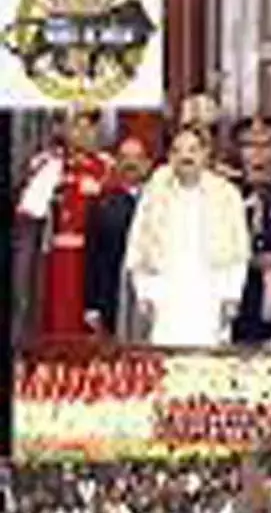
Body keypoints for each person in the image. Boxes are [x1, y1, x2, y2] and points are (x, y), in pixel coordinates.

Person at [124, 127, 251, 347]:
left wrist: (232, 294)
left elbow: (239, 252)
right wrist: (145, 292)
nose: (186, 157)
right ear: (170, 157)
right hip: (167, 295)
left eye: (193, 150)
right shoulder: (154, 195)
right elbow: (138, 246)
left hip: (210, 293)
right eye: (178, 150)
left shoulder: (226, 195)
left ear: (205, 154)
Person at [15, 108, 113, 341]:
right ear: (64, 129)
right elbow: (28, 210)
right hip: (56, 254)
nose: (83, 133)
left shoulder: (107, 167)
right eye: (77, 126)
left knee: (89, 322)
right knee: (54, 317)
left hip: (93, 255)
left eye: (89, 127)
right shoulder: (48, 164)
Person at [230, 116, 271, 345]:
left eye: (266, 145)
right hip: (235, 293)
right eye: (249, 145)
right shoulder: (226, 192)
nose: (258, 153)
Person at [83, 136, 153, 339]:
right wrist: (92, 305)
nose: (131, 163)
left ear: (148, 164)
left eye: (137, 158)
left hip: (152, 295)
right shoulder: (102, 205)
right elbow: (93, 258)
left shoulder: (159, 202)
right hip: (112, 298)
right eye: (125, 157)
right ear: (116, 163)